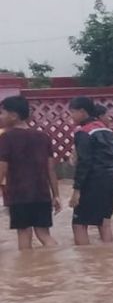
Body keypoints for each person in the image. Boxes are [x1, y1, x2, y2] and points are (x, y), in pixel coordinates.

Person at [0, 95, 60, 249]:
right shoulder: (43, 137)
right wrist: (56, 195)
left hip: (19, 196)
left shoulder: (6, 138)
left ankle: (27, 270)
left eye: (2, 113)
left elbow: (2, 168)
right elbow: (51, 169)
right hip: (42, 195)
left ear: (13, 116)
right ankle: (56, 261)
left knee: (24, 234)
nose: (0, 117)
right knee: (44, 235)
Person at [68, 96, 113, 245]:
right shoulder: (106, 130)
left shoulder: (83, 132)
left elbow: (84, 163)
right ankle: (107, 257)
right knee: (104, 223)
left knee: (79, 224)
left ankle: (87, 263)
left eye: (72, 112)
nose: (70, 116)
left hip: (93, 183)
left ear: (83, 112)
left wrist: (76, 190)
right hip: (110, 181)